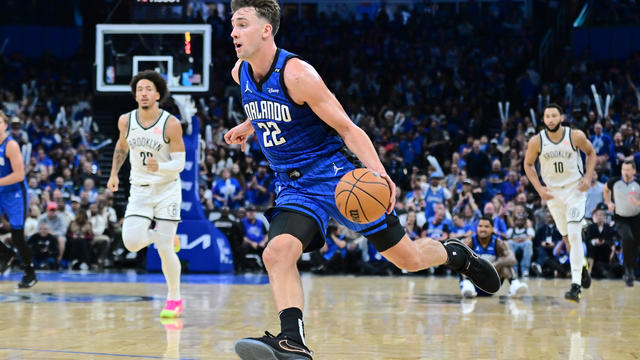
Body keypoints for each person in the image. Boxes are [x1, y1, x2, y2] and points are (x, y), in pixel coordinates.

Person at [224, 2, 500, 359]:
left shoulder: (297, 75)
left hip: (336, 178)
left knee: (408, 259)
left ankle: (455, 255)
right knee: (276, 253)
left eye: (242, 24)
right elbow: (269, 110)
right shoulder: (240, 72)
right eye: (232, 25)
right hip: (294, 187)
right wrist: (249, 126)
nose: (233, 32)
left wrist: (381, 175)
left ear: (266, 30)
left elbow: (346, 128)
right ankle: (292, 341)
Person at [107, 70, 185, 318]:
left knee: (164, 248)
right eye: (140, 89)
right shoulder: (125, 121)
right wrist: (113, 174)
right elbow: (121, 147)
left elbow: (180, 164)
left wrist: (159, 166)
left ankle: (174, 298)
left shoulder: (170, 124)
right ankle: (163, 235)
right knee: (131, 242)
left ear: (158, 94)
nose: (143, 93)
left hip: (167, 189)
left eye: (148, 89)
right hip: (139, 189)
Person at [524, 103, 595, 302]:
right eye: (547, 116)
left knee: (573, 234)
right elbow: (528, 164)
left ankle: (575, 286)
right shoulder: (537, 141)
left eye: (554, 115)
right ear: (544, 119)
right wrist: (538, 188)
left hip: (575, 191)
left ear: (561, 117)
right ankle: (582, 266)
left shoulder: (575, 136)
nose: (551, 119)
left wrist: (588, 178)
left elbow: (591, 153)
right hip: (553, 195)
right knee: (566, 237)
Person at [0, 110, 37, 288]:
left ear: (5, 125)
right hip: (0, 190)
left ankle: (30, 273)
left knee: (17, 237)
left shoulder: (11, 145)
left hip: (15, 193)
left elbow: (19, 175)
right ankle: (6, 254)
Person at [459, 216, 526, 298]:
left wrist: (494, 265)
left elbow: (512, 259)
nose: (483, 229)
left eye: (486, 226)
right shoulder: (469, 241)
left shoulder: (499, 243)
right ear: (476, 228)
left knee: (505, 262)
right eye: (480, 226)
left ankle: (514, 285)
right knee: (463, 259)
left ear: (492, 229)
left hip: (491, 285)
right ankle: (467, 285)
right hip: (473, 282)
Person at [603, 160, 640, 286]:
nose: (626, 172)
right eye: (624, 169)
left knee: (634, 244)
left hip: (636, 218)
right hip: (620, 218)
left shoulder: (638, 183)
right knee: (627, 237)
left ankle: (630, 271)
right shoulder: (614, 182)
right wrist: (608, 203)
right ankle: (628, 270)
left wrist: (637, 203)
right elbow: (605, 189)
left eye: (628, 170)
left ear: (634, 171)